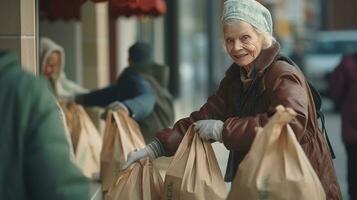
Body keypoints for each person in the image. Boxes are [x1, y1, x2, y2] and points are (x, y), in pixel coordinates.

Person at [122, 0, 342, 199]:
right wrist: (155, 147)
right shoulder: (236, 79)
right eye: (229, 40)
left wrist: (223, 130)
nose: (236, 47)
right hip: (262, 180)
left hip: (297, 181)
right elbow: (202, 118)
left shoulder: (281, 74)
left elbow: (291, 123)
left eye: (245, 38)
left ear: (262, 37)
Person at [0, 51, 89, 199]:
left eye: (55, 65)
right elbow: (58, 186)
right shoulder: (27, 92)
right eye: (48, 64)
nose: (51, 70)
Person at [75, 42, 174, 143]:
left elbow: (147, 98)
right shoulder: (156, 82)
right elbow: (108, 94)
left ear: (129, 60)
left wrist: (127, 107)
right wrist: (80, 98)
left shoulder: (136, 79)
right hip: (161, 145)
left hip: (147, 148)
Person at [328, 53, 357, 200]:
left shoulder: (347, 64)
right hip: (352, 127)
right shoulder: (347, 65)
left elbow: (336, 91)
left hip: (352, 125)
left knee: (353, 166)